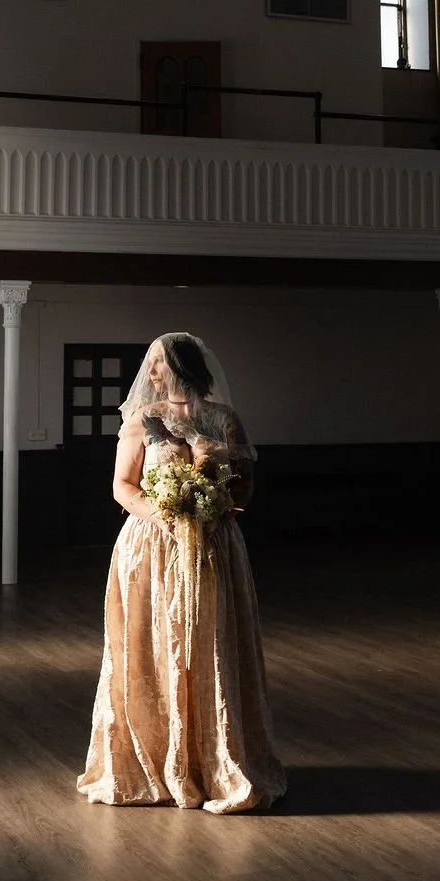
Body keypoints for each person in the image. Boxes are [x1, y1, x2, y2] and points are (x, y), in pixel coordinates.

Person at [78, 332, 286, 815]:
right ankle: (151, 760)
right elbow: (122, 487)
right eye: (149, 367)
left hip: (214, 543)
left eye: (159, 365)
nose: (151, 374)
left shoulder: (224, 420)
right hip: (153, 545)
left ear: (184, 367)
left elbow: (246, 486)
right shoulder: (141, 422)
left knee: (208, 643)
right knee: (153, 645)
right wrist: (166, 514)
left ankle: (213, 760)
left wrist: (217, 506)